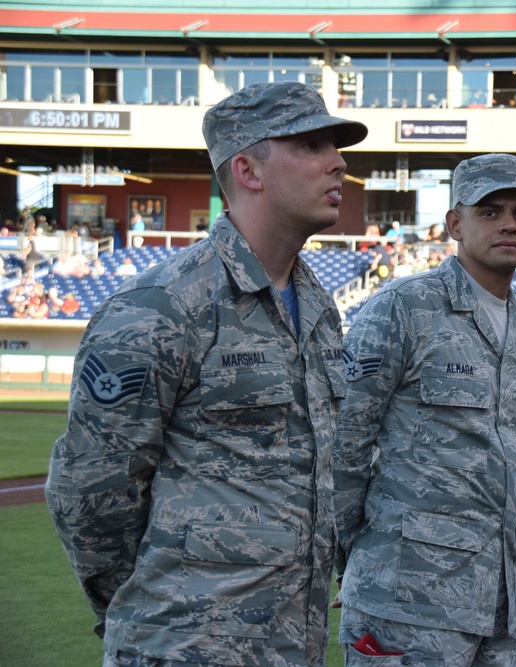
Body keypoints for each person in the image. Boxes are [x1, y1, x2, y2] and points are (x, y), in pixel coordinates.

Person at [45, 80, 368, 667]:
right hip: (185, 645)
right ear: (248, 170)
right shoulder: (161, 305)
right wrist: (150, 604)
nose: (338, 162)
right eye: (313, 146)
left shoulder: (317, 307)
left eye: (335, 147)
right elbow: (90, 491)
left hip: (294, 644)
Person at [333, 153, 516, 665]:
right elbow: (344, 441)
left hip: (497, 599)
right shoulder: (404, 307)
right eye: (489, 212)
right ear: (454, 223)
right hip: (407, 596)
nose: (508, 224)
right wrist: (356, 559)